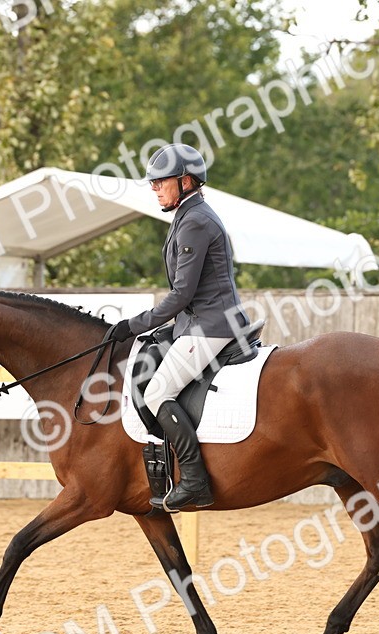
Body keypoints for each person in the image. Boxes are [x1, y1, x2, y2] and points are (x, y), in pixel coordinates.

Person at [104, 143, 250, 512]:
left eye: (160, 182)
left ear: (186, 181)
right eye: (151, 184)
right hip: (197, 322)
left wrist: (132, 325)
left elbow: (181, 294)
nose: (154, 188)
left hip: (211, 326)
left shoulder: (196, 221)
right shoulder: (188, 216)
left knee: (156, 393)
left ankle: (196, 481)